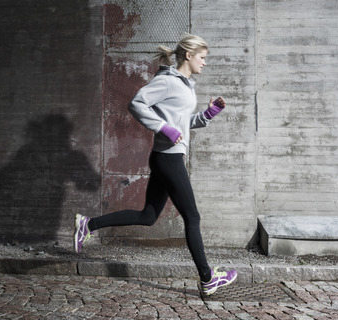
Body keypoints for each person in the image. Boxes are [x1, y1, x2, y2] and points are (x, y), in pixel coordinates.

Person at [74, 33, 237, 296]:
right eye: (203, 58)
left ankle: (88, 226)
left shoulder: (185, 85)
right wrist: (163, 128)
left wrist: (207, 115)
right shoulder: (168, 82)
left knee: (148, 216)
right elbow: (136, 104)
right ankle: (208, 278)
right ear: (188, 55)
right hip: (168, 158)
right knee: (192, 217)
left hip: (168, 157)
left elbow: (181, 124)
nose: (205, 63)